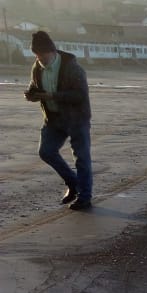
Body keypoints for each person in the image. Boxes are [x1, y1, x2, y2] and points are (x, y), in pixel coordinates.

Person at [23, 31, 93, 210]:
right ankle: (73, 182)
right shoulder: (37, 67)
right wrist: (32, 94)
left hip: (77, 119)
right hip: (53, 119)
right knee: (46, 151)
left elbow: (80, 95)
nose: (40, 60)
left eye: (42, 56)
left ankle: (85, 198)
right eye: (37, 56)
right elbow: (34, 86)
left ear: (52, 51)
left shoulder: (72, 67)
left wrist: (52, 95)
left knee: (82, 158)